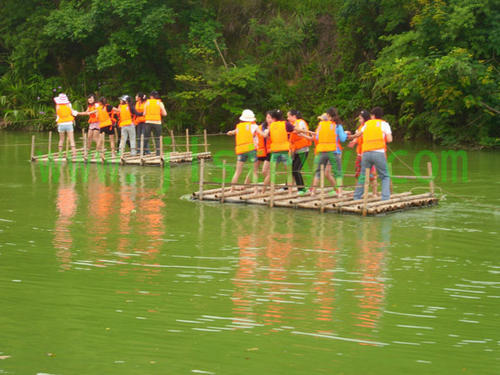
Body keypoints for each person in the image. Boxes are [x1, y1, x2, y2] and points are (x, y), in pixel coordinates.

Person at [351, 107, 392, 201]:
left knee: (363, 175)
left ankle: (356, 197)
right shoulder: (384, 124)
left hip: (365, 153)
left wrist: (349, 137)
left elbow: (358, 135)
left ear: (373, 115)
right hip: (378, 152)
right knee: (384, 176)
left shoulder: (366, 124)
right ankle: (385, 198)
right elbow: (389, 139)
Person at [309, 107, 348, 195]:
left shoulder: (321, 125)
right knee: (338, 173)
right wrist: (345, 134)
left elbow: (317, 137)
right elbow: (342, 139)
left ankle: (313, 192)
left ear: (329, 115)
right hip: (334, 151)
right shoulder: (337, 126)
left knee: (318, 172)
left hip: (322, 151)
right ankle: (340, 193)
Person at [226, 109, 262, 191]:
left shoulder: (239, 126)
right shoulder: (254, 126)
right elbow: (261, 134)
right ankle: (255, 191)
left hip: (241, 150)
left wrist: (230, 132)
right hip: (251, 149)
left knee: (238, 171)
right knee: (255, 171)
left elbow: (233, 132)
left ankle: (232, 189)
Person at [262, 109, 295, 188]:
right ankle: (290, 192)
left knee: (271, 173)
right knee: (289, 172)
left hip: (275, 152)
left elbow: (266, 136)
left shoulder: (271, 126)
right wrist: (309, 132)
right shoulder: (286, 124)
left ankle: (263, 190)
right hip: (284, 151)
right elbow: (295, 129)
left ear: (273, 118)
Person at [348, 110, 378, 195]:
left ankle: (374, 193)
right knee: (358, 174)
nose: (359, 120)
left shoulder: (369, 126)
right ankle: (358, 192)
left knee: (371, 175)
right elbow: (357, 137)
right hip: (360, 154)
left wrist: (351, 137)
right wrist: (353, 141)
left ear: (365, 119)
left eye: (360, 118)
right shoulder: (360, 127)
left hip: (368, 153)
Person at [287, 109, 312, 194]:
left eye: (289, 116)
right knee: (293, 170)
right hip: (296, 150)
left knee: (296, 170)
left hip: (303, 150)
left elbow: (300, 131)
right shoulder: (292, 124)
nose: (288, 118)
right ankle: (289, 186)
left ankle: (302, 189)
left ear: (294, 116)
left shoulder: (300, 122)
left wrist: (293, 130)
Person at [54, 93, 80, 158]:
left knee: (61, 139)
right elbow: (73, 112)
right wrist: (77, 113)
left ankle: (60, 154)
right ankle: (74, 154)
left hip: (61, 124)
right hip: (69, 123)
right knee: (71, 139)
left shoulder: (57, 106)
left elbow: (58, 115)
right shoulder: (69, 105)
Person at [143, 91, 167, 155]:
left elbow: (144, 113)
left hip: (148, 122)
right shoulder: (160, 103)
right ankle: (158, 153)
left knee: (146, 138)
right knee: (158, 138)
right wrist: (159, 113)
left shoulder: (147, 103)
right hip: (157, 122)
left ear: (151, 96)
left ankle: (142, 152)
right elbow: (165, 114)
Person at [255, 112, 272, 184]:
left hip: (270, 150)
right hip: (261, 149)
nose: (269, 119)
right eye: (268, 117)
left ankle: (270, 184)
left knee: (265, 171)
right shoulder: (260, 127)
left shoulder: (275, 127)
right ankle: (245, 185)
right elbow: (254, 140)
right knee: (254, 168)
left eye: (271, 118)